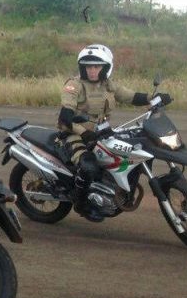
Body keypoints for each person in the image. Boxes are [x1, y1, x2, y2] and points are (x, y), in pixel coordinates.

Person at [58, 44, 171, 221]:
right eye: (88, 66)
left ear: (105, 68)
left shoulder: (107, 85)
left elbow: (131, 96)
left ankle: (109, 190)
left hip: (101, 133)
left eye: (96, 66)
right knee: (89, 166)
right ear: (82, 67)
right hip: (74, 133)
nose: (92, 70)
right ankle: (82, 204)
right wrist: (84, 132)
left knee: (124, 155)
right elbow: (65, 117)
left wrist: (155, 98)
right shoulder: (74, 85)